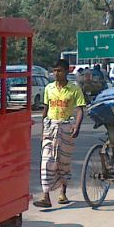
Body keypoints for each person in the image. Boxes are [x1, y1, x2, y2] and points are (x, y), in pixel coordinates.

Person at [33, 59, 85, 207]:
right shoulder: (49, 88)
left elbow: (80, 108)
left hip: (66, 127)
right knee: (47, 162)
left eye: (59, 71)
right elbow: (45, 108)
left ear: (67, 72)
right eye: (54, 70)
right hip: (51, 127)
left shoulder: (74, 89)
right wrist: (43, 127)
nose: (56, 73)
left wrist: (77, 126)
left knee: (64, 162)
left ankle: (63, 193)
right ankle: (46, 196)